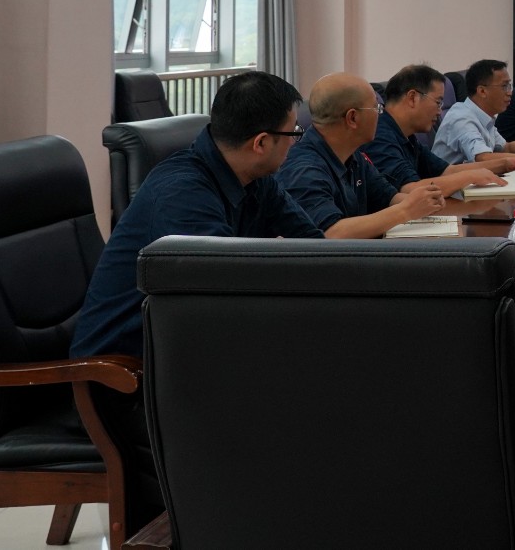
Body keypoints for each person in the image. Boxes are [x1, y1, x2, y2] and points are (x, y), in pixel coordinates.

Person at [69, 70, 327, 533]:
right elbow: (218, 303)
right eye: (294, 134)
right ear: (262, 142)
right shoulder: (183, 194)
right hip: (127, 379)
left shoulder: (253, 177)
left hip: (184, 357)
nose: (297, 143)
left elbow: (312, 249)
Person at [276, 72, 503, 238]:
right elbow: (331, 233)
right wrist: (406, 210)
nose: (380, 115)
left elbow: (391, 198)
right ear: (352, 118)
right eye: (376, 109)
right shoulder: (304, 167)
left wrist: (426, 202)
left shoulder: (353, 156)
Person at [367, 63, 515, 187]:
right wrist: (470, 177)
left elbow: (447, 170)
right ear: (412, 98)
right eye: (438, 102)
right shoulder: (379, 136)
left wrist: (504, 164)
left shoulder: (408, 137)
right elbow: (410, 189)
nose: (440, 112)